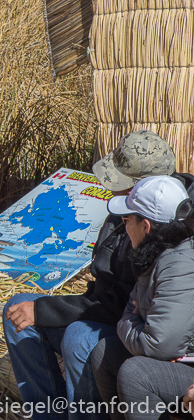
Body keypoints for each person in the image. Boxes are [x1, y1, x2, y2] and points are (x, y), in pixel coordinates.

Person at [3, 131, 194, 420]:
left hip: (145, 343)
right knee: (17, 307)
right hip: (120, 321)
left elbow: (124, 311)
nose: (112, 190)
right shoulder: (125, 214)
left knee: (80, 337)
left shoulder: (168, 234)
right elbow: (109, 293)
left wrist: (45, 310)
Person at [90, 176, 194, 420]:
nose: (125, 229)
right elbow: (132, 310)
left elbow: (158, 344)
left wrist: (126, 324)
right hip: (179, 359)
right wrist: (133, 322)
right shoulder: (154, 256)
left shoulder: (178, 263)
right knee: (104, 352)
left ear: (146, 226)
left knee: (136, 373)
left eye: (127, 220)